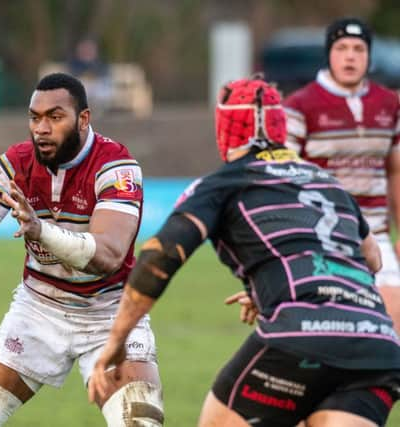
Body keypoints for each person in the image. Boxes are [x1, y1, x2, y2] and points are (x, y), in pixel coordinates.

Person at [88, 77, 400, 427]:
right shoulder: (327, 183)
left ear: (225, 128)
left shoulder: (222, 184)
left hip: (300, 333)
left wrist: (116, 341)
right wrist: (273, 286)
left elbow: (159, 257)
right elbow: (371, 258)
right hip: (377, 343)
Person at [0, 73, 163, 426]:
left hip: (110, 313)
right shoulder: (15, 164)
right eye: (34, 117)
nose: (41, 128)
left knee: (141, 423)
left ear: (83, 119)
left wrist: (41, 230)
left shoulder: (116, 166)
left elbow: (108, 256)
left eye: (55, 117)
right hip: (40, 309)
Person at [283, 17, 400, 335]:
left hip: (376, 232)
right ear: (329, 54)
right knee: (327, 333)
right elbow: (283, 177)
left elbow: (395, 170)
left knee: (393, 326)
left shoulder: (389, 104)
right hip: (319, 237)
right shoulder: (299, 105)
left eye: (359, 49)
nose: (350, 56)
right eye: (342, 48)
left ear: (369, 55)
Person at [67, 38, 112, 113]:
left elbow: (104, 74)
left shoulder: (99, 63)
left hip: (96, 87)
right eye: (85, 49)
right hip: (82, 87)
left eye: (90, 49)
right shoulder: (74, 63)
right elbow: (72, 75)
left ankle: (98, 111)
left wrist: (94, 76)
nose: (87, 51)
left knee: (103, 89)